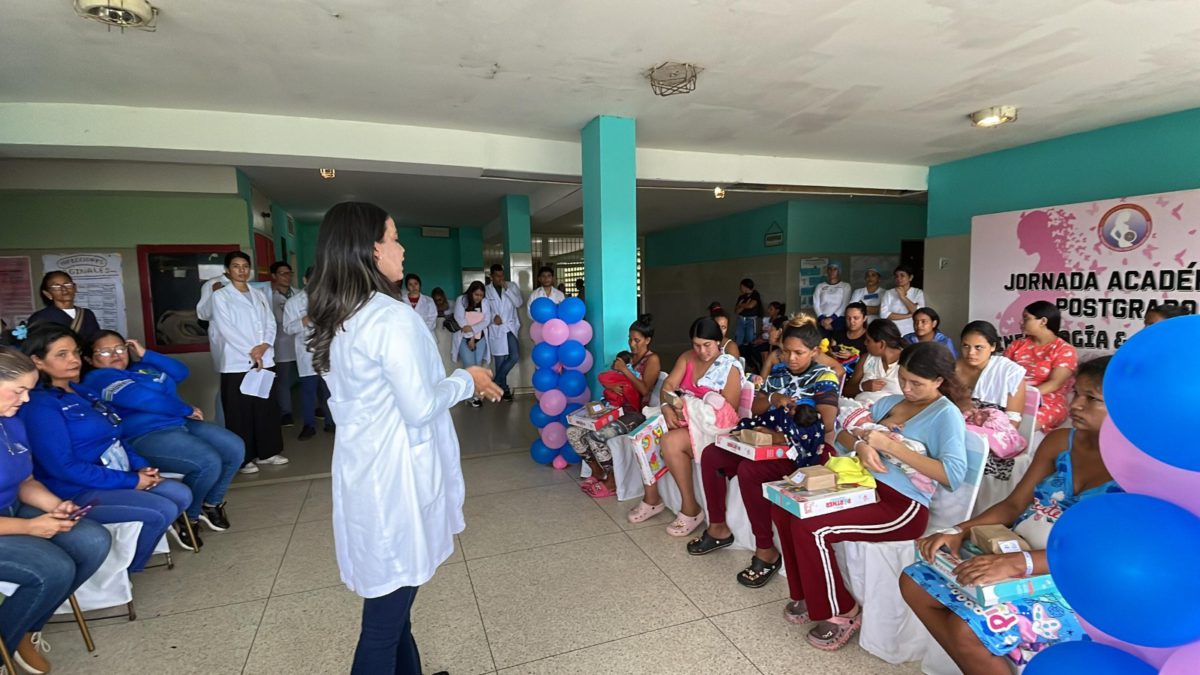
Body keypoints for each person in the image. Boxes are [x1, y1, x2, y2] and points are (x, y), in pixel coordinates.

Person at [304, 201, 501, 675]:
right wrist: (467, 379)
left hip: (366, 471)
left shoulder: (341, 314)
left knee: (394, 610)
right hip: (396, 481)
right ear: (372, 249)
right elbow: (420, 405)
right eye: (394, 238)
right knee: (383, 624)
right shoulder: (389, 317)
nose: (402, 248)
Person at [901, 357, 1120, 672]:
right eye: (1077, 393)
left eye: (1092, 398)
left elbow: (1105, 554)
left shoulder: (1138, 471)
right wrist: (958, 530)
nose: (1075, 405)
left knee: (969, 630)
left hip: (1079, 582)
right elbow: (1014, 505)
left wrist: (1020, 563)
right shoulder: (1061, 442)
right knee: (915, 583)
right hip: (1018, 553)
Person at [773, 342, 969, 651]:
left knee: (812, 528)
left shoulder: (946, 414)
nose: (907, 388)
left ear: (939, 381)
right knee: (786, 509)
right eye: (903, 378)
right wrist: (861, 445)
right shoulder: (892, 402)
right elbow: (842, 434)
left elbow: (953, 475)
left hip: (902, 505)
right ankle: (809, 594)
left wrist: (891, 446)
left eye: (916, 383)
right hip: (862, 487)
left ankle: (843, 611)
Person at [18, 324, 192, 570]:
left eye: (76, 352)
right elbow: (64, 467)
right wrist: (131, 481)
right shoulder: (40, 405)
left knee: (180, 494)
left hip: (115, 473)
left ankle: (127, 563)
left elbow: (115, 437)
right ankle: (125, 572)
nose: (74, 360)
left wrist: (142, 469)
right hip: (77, 489)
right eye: (62, 354)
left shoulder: (84, 392)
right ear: (38, 361)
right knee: (160, 510)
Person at [692, 320, 839, 588]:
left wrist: (783, 430)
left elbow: (826, 421)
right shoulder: (779, 372)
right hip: (767, 442)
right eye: (786, 351)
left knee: (750, 470)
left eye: (799, 353)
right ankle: (718, 528)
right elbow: (757, 406)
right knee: (713, 454)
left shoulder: (824, 377)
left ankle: (766, 551)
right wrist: (773, 400)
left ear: (814, 351)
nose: (791, 358)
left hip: (802, 450)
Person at [0, 347, 111, 675]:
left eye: (29, 390)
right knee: (53, 569)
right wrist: (29, 528)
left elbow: (25, 480)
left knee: (93, 541)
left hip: (12, 509)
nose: (26, 399)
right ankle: (8, 641)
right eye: (19, 390)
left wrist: (54, 505)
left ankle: (24, 627)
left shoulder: (11, 422)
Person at [82, 330, 242, 543]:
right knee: (207, 462)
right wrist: (184, 409)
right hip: (144, 434)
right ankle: (188, 516)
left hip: (179, 423)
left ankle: (211, 502)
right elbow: (144, 398)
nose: (115, 355)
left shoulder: (141, 368)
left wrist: (145, 354)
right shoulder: (98, 378)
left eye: (120, 348)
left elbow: (181, 372)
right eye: (104, 352)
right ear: (89, 358)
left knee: (234, 448)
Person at [626, 317, 744, 537]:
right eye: (696, 345)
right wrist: (666, 407)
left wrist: (688, 407)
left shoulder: (729, 367)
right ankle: (652, 499)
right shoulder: (687, 358)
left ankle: (690, 508)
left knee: (670, 442)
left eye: (707, 345)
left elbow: (728, 414)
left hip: (711, 428)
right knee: (644, 433)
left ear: (718, 341)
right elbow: (668, 386)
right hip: (684, 420)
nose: (702, 351)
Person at [209, 251, 287, 474]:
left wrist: (265, 345)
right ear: (227, 270)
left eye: (245, 266)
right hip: (237, 362)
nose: (241, 270)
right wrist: (252, 351)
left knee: (265, 408)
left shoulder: (259, 294)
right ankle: (244, 458)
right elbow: (226, 329)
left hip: (264, 359)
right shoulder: (221, 296)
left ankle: (268, 452)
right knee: (239, 412)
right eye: (236, 266)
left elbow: (270, 322)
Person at [570, 315, 660, 499]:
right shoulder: (628, 357)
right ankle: (597, 472)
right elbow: (612, 379)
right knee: (573, 432)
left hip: (637, 414)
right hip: (615, 407)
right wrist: (611, 385)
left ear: (647, 340)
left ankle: (612, 481)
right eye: (630, 339)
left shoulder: (652, 360)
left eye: (637, 340)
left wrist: (625, 370)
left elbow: (644, 389)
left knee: (596, 436)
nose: (632, 344)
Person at [956, 321, 1029, 484]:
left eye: (978, 347)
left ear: (993, 347)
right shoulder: (953, 368)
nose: (971, 353)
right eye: (966, 346)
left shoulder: (1009, 372)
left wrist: (982, 435)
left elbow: (1013, 422)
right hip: (957, 429)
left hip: (994, 435)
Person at [1003, 301, 1077, 432]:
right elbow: (1001, 372)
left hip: (1047, 401)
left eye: (1026, 318)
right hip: (1012, 396)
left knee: (1022, 426)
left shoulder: (1064, 349)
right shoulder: (1017, 345)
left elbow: (1055, 383)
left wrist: (1024, 395)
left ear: (1043, 321)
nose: (1021, 322)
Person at [284, 267, 335, 440]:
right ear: (305, 280)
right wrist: (305, 320)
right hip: (306, 353)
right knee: (308, 391)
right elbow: (288, 328)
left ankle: (330, 422)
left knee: (329, 390)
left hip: (327, 351)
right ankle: (308, 425)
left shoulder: (330, 299)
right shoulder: (293, 303)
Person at [842, 319, 905, 405]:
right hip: (858, 408)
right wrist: (862, 387)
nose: (865, 343)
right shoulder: (866, 359)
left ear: (882, 344)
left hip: (889, 412)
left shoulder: (907, 362)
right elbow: (846, 392)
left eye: (868, 340)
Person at [485, 264, 524, 402]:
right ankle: (504, 389)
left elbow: (518, 303)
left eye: (502, 275)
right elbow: (484, 310)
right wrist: (492, 319)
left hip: (510, 326)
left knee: (514, 356)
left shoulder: (511, 286)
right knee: (500, 360)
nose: (500, 278)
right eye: (497, 276)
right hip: (496, 328)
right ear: (491, 276)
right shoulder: (486, 290)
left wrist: (507, 289)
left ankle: (495, 382)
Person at [27, 271, 101, 341]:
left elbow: (96, 341)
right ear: (48, 294)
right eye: (56, 286)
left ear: (75, 288)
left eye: (67, 284)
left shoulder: (87, 314)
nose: (64, 289)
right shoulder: (40, 318)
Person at [268, 261, 298, 427]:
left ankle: (317, 408)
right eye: (283, 274)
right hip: (281, 343)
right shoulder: (269, 297)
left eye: (289, 273)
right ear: (274, 276)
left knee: (309, 379)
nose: (287, 277)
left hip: (301, 342)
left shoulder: (299, 294)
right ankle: (286, 413)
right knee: (283, 381)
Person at [453, 281, 492, 408]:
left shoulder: (485, 302)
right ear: (471, 292)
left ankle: (476, 394)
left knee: (478, 365)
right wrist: (470, 337)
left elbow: (487, 320)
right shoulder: (461, 300)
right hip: (464, 338)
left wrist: (473, 331)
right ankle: (469, 396)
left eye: (481, 295)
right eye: (476, 294)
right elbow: (461, 320)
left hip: (481, 338)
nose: (478, 297)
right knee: (469, 366)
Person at [879, 264, 926, 336]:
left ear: (910, 277)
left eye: (902, 275)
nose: (898, 278)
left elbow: (919, 313)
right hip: (891, 332)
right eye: (896, 276)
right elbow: (883, 315)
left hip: (911, 332)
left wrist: (902, 297)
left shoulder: (917, 292)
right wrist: (908, 315)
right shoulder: (889, 293)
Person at [813, 263, 852, 335]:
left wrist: (832, 318)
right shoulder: (820, 286)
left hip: (839, 319)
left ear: (839, 271)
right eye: (830, 269)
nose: (832, 271)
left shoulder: (845, 286)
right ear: (827, 271)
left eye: (835, 269)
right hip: (823, 320)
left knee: (838, 340)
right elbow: (816, 303)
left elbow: (845, 304)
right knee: (822, 341)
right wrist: (822, 319)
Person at [745, 301, 784, 373]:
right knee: (748, 347)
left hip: (767, 342)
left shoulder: (779, 322)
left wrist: (764, 341)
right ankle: (759, 367)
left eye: (771, 309)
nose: (768, 310)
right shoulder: (766, 319)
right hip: (766, 341)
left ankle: (763, 367)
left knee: (762, 350)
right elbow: (761, 332)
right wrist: (758, 339)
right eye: (768, 308)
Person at [733, 278, 762, 346]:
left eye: (741, 287)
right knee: (739, 340)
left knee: (750, 339)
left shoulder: (755, 294)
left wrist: (740, 305)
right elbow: (736, 311)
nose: (740, 289)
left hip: (751, 320)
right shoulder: (741, 297)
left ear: (745, 287)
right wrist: (745, 305)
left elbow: (751, 306)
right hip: (741, 319)